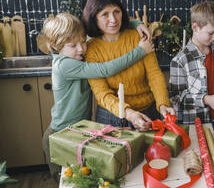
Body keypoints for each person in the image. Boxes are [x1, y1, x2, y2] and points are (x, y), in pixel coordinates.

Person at [41, 13, 153, 181]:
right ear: (56, 46)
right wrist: (140, 51)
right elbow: (106, 69)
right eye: (73, 45)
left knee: (84, 178)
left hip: (78, 131)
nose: (81, 48)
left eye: (83, 41)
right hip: (60, 135)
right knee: (69, 182)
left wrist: (135, 23)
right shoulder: (64, 64)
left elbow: (103, 26)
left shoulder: (75, 56)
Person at [83, 0, 175, 132]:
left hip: (149, 111)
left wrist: (163, 104)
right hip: (112, 116)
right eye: (105, 14)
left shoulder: (138, 36)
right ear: (94, 17)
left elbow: (154, 74)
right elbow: (102, 94)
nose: (113, 19)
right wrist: (129, 113)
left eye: (116, 11)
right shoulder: (91, 49)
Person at [169, 1, 214, 124]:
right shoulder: (180, 60)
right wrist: (206, 100)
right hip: (195, 123)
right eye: (211, 33)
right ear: (195, 27)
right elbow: (177, 98)